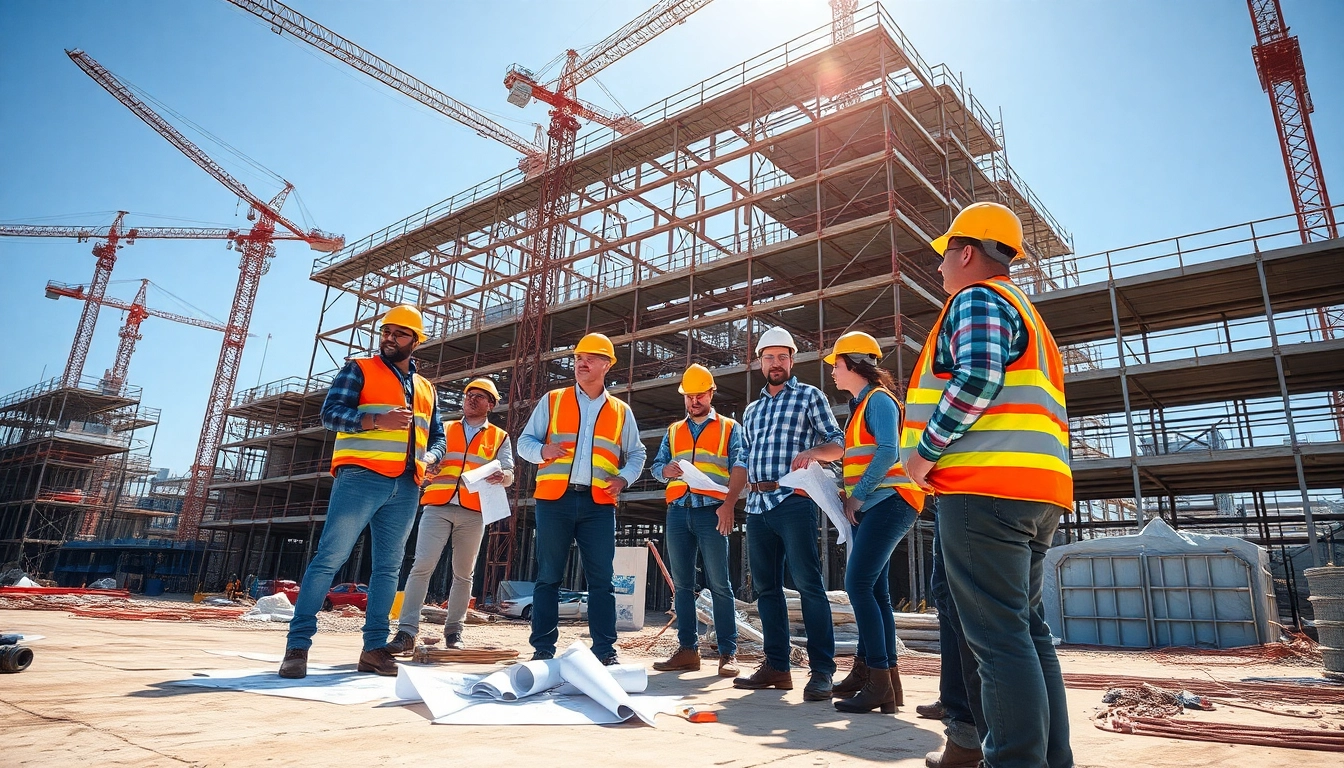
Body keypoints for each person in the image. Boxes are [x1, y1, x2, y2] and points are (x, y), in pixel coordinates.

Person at [900, 202, 1074, 768]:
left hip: (984, 488)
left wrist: (924, 454)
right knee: (1025, 633)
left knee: (998, 641)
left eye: (946, 253)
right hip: (1034, 492)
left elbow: (978, 375)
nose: (940, 266)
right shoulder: (1025, 311)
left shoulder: (976, 298)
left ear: (968, 252)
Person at [279, 305, 446, 679]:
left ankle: (373, 650)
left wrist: (432, 457)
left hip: (406, 485)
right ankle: (297, 648)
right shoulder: (359, 369)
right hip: (360, 478)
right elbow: (330, 414)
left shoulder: (426, 388)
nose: (389, 338)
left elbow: (437, 435)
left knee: (388, 568)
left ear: (416, 341)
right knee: (329, 558)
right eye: (386, 331)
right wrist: (374, 420)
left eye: (399, 333)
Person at [516, 332, 646, 665]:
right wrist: (542, 451)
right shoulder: (553, 400)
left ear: (606, 365)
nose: (581, 364)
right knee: (548, 576)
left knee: (602, 580)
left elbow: (637, 453)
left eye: (589, 359)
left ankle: (605, 650)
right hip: (554, 501)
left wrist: (624, 478)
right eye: (577, 358)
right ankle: (543, 649)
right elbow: (524, 442)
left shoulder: (620, 411)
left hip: (598, 504)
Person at [732, 326, 845, 701]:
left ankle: (823, 671)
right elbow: (745, 457)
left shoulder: (810, 396)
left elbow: (837, 443)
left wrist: (813, 453)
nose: (775, 363)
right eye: (769, 358)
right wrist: (730, 498)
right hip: (757, 505)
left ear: (792, 361)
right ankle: (777, 667)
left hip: (794, 502)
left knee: (809, 585)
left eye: (782, 357)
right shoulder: (752, 410)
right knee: (765, 590)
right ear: (759, 363)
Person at [823, 332, 926, 715]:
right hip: (875, 504)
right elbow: (863, 457)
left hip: (891, 501)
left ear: (854, 364)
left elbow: (886, 451)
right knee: (876, 590)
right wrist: (846, 490)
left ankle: (879, 680)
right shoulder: (861, 405)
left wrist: (858, 494)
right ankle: (880, 680)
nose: (833, 372)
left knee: (858, 584)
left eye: (836, 364)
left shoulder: (879, 400)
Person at [385, 377, 514, 655]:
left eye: (479, 396)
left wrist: (503, 476)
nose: (471, 399)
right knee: (422, 566)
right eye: (469, 395)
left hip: (473, 511)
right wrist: (427, 468)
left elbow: (509, 473)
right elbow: (424, 458)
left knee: (463, 575)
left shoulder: (499, 437)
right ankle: (406, 632)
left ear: (491, 404)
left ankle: (454, 631)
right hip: (438, 506)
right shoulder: (444, 428)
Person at [648, 364, 748, 678]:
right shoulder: (674, 430)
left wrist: (729, 505)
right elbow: (656, 466)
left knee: (720, 584)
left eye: (700, 395)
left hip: (712, 511)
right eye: (689, 396)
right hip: (679, 511)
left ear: (711, 393)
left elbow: (740, 466)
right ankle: (687, 651)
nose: (694, 401)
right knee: (682, 586)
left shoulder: (730, 428)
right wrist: (665, 471)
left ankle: (728, 652)